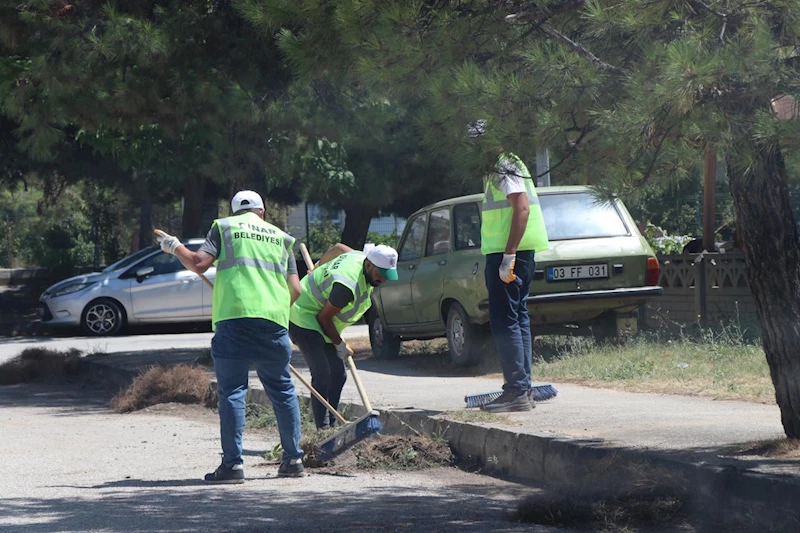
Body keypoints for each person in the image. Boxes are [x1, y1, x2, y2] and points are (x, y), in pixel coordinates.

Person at [155, 190, 305, 483]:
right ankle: (293, 459)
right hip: (273, 321)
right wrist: (272, 309)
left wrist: (174, 246)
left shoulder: (224, 227)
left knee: (233, 392)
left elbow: (199, 263)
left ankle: (233, 466)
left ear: (235, 211)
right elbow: (296, 290)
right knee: (283, 391)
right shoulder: (282, 238)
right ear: (262, 212)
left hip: (234, 320)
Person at [289, 243, 398, 429]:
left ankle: (334, 424)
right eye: (381, 275)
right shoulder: (347, 286)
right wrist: (339, 345)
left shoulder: (358, 257)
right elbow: (324, 317)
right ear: (369, 265)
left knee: (338, 374)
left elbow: (338, 248)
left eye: (387, 276)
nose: (384, 280)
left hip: (320, 317)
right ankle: (322, 430)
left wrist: (317, 267)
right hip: (302, 315)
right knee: (322, 373)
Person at [479, 147, 550, 413]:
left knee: (505, 320)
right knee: (517, 317)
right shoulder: (510, 161)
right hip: (517, 252)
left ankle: (517, 391)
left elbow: (521, 209)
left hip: (508, 253)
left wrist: (509, 254)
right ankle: (522, 389)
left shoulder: (504, 164)